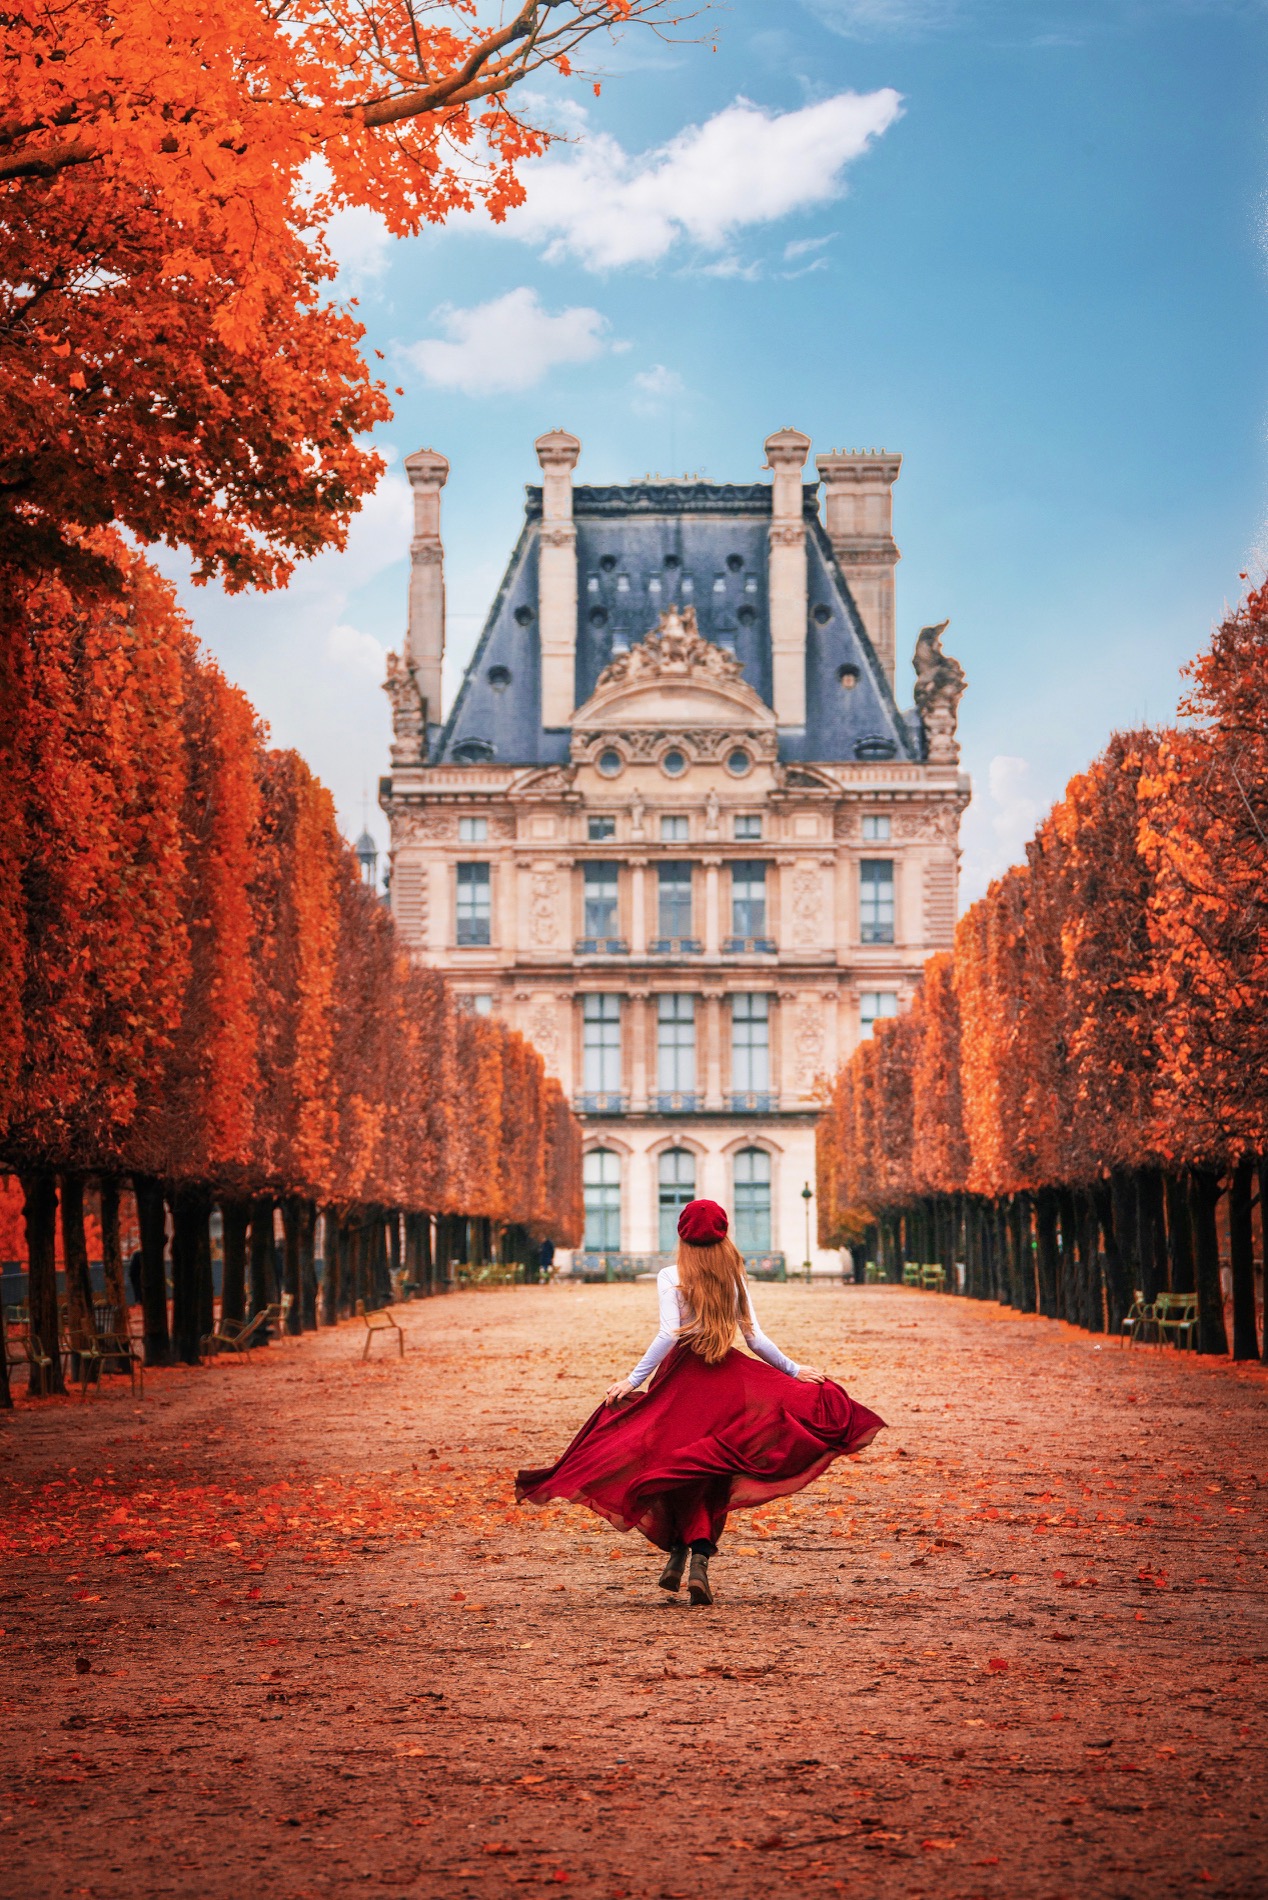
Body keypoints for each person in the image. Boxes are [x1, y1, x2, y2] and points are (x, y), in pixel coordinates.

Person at [516, 1197, 885, 1606]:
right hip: (727, 1380)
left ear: (681, 1233)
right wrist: (793, 1371)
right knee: (713, 1468)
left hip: (681, 1380)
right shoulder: (734, 1275)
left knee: (670, 1462)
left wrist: (633, 1379)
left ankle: (677, 1554)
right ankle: (697, 1561)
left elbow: (668, 1335)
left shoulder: (671, 1275)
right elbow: (753, 1337)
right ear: (724, 1232)